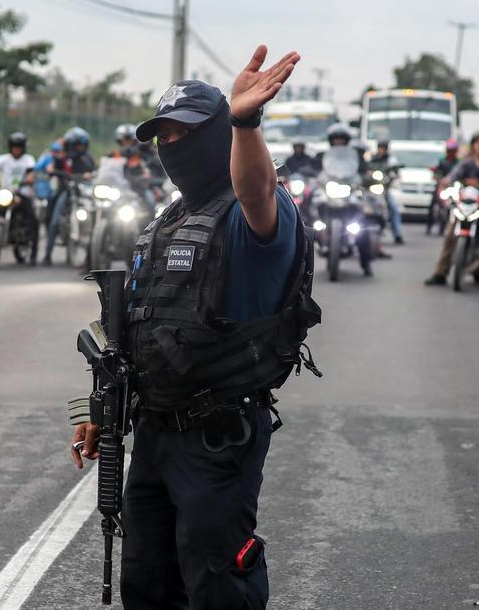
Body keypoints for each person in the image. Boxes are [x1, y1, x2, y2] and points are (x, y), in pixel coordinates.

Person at [69, 47, 322, 609]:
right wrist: (102, 412)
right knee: (148, 580)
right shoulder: (167, 220)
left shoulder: (252, 212)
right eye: (163, 137)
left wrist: (246, 123)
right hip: (155, 432)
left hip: (217, 435)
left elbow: (255, 190)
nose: (171, 148)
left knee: (216, 584)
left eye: (185, 134)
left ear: (218, 135)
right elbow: (138, 328)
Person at [424, 131, 479, 289]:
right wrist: (445, 182)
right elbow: (453, 177)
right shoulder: (466, 163)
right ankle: (440, 273)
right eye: (477, 143)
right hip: (466, 205)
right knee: (450, 235)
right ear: (473, 146)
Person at [42, 127, 95, 265]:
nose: (80, 148)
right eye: (77, 145)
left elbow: (94, 172)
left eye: (82, 145)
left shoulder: (87, 158)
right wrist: (55, 171)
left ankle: (92, 256)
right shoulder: (62, 157)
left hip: (83, 193)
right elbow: (51, 168)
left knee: (96, 216)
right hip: (66, 191)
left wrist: (91, 175)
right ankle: (47, 254)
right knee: (54, 220)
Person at [0, 132, 40, 263]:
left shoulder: (28, 159)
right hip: (6, 193)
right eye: (14, 147)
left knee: (34, 220)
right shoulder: (5, 159)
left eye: (19, 147)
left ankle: (34, 253)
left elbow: (31, 174)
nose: (16, 150)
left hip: (22, 194)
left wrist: (28, 180)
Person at [367, 139, 404, 244]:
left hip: (384, 189)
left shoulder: (391, 160)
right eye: (380, 147)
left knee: (394, 209)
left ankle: (397, 234)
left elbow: (396, 172)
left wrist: (394, 176)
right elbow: (366, 171)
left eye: (384, 148)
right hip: (372, 189)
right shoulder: (372, 159)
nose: (382, 150)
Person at [427, 139, 461, 235]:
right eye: (449, 150)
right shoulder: (442, 161)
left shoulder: (459, 163)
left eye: (453, 150)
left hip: (454, 187)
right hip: (442, 187)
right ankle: (429, 225)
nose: (451, 153)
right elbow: (436, 173)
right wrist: (438, 179)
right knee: (433, 203)